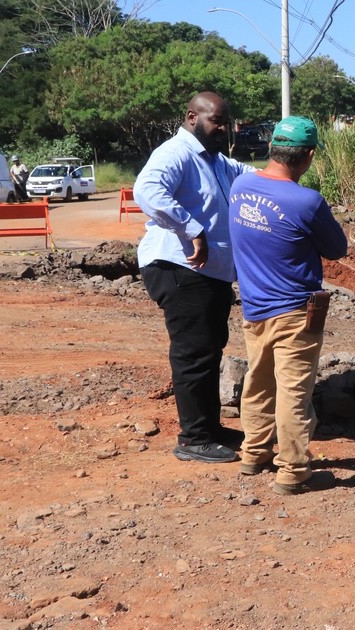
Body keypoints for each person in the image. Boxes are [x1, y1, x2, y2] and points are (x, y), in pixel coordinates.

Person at [227, 116, 348, 495]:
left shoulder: (241, 185)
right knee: (294, 393)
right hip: (296, 311)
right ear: (308, 155)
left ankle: (253, 453)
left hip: (253, 308)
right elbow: (338, 249)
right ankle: (293, 471)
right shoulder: (307, 201)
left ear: (272, 147)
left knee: (258, 382)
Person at [136, 91, 255, 464]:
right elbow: (147, 190)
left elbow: (250, 175)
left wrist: (285, 166)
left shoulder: (216, 162)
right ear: (192, 117)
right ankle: (193, 439)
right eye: (216, 121)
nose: (223, 128)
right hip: (179, 267)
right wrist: (192, 229)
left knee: (208, 350)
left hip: (207, 273)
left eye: (226, 121)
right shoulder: (177, 153)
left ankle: (209, 428)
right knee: (193, 354)